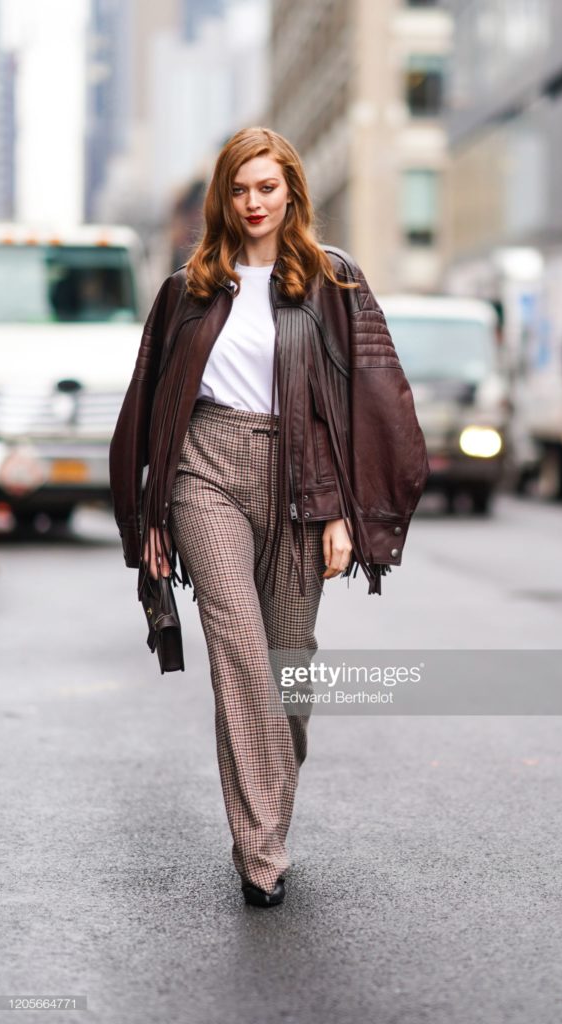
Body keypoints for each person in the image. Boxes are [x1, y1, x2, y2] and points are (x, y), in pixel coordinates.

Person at [108, 127, 429, 909]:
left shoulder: (332, 281)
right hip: (204, 468)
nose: (253, 203)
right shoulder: (187, 288)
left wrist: (345, 514)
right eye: (240, 189)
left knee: (286, 666)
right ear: (224, 197)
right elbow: (151, 404)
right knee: (242, 656)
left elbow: (368, 404)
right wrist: (153, 509)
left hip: (300, 479)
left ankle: (267, 806)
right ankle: (261, 853)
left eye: (267, 188)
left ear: (291, 193)